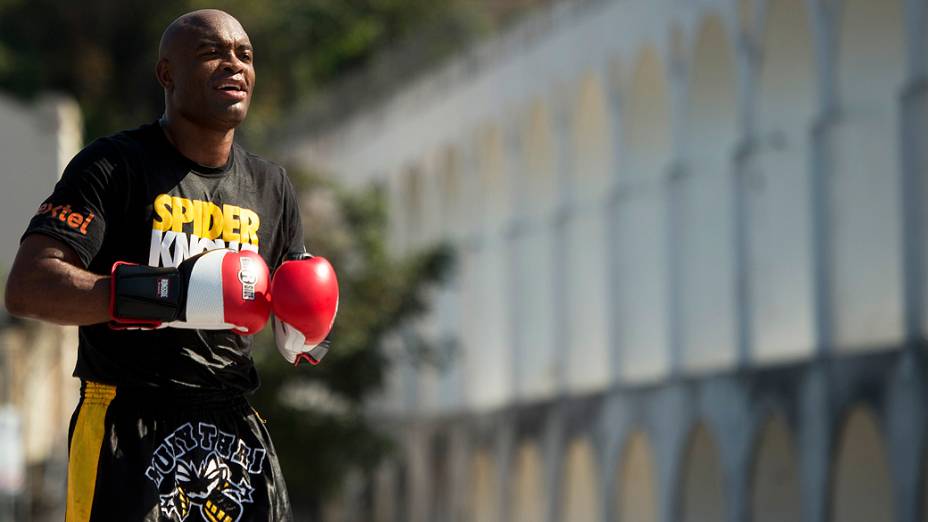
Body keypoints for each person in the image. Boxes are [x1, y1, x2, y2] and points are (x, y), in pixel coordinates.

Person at [4, 9, 337, 521]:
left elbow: (297, 318)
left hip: (233, 427)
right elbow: (28, 285)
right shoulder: (113, 165)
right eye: (211, 53)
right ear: (167, 74)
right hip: (127, 420)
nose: (233, 65)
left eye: (244, 55)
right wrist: (171, 293)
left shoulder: (271, 186)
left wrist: (309, 331)